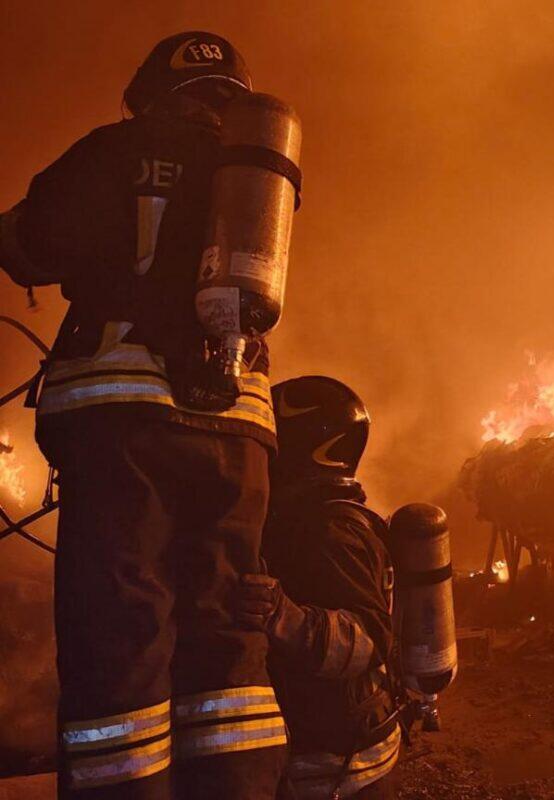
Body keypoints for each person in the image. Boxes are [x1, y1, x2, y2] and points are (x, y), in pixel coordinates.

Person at [0, 32, 289, 799]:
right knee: (228, 641)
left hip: (123, 422)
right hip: (241, 431)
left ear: (151, 91)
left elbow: (31, 245)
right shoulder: (253, 176)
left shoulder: (112, 149)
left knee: (121, 634)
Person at [233, 376, 399, 800]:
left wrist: (282, 616)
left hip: (342, 764)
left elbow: (367, 638)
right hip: (330, 750)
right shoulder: (304, 518)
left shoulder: (330, 529)